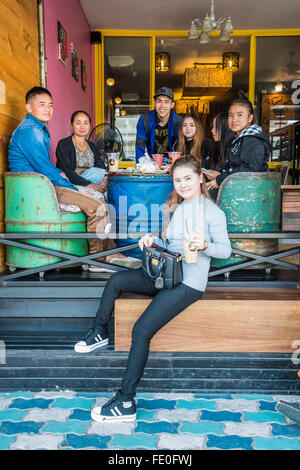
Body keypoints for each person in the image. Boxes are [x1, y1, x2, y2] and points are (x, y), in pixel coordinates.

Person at [74, 156, 232, 423]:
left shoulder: (213, 212)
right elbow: (170, 244)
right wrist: (152, 239)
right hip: (166, 273)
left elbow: (225, 251)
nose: (182, 184)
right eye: (177, 180)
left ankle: (125, 401)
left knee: (141, 330)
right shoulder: (178, 207)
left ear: (200, 179)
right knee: (116, 282)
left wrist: (205, 245)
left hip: (187, 283)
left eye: (188, 179)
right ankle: (99, 332)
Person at [8, 86, 138, 272]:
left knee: (103, 202)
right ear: (29, 108)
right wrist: (71, 186)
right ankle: (96, 260)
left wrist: (59, 176)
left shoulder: (37, 129)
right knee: (96, 206)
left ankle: (110, 251)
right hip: (38, 189)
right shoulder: (30, 131)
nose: (48, 109)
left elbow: (44, 165)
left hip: (44, 184)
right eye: (42, 104)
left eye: (50, 105)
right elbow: (42, 166)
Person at [205, 98, 271, 192]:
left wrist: (220, 179)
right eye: (231, 115)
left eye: (240, 115)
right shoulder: (240, 139)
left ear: (250, 118)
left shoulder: (253, 139)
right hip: (241, 189)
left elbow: (249, 170)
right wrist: (221, 175)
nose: (234, 119)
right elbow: (238, 167)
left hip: (251, 194)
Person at [56, 110, 107, 196]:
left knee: (112, 192)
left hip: (94, 182)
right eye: (78, 123)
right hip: (75, 183)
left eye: (86, 123)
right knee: (98, 197)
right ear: (72, 126)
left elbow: (100, 167)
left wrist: (104, 181)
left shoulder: (92, 146)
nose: (82, 126)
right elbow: (66, 170)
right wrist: (90, 185)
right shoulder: (64, 144)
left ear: (90, 126)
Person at [135, 87, 182, 165]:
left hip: (173, 164)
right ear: (154, 103)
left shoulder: (178, 121)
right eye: (159, 101)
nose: (162, 106)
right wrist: (141, 166)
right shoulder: (145, 120)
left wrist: (177, 167)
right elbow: (140, 145)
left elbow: (182, 147)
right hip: (152, 163)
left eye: (166, 102)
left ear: (172, 105)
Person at [203, 112, 234, 200]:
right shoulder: (216, 149)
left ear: (224, 128)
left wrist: (219, 177)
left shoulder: (232, 149)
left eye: (215, 127)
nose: (212, 130)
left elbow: (238, 175)